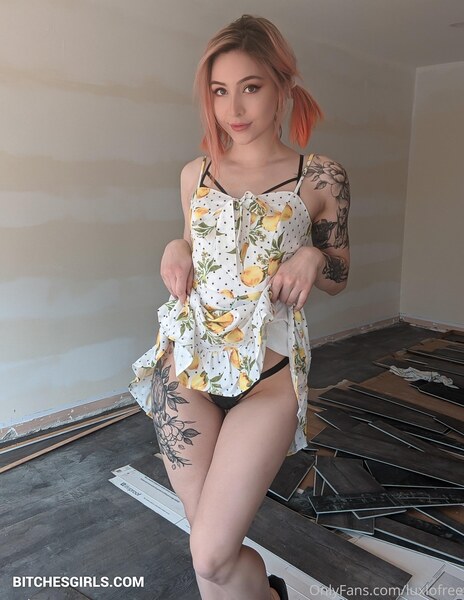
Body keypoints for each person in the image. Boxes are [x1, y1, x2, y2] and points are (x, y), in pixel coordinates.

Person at [129, 14, 350, 600]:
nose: (234, 107)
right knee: (211, 560)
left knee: (210, 552)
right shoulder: (195, 173)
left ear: (282, 86)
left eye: (250, 87)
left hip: (267, 381)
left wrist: (313, 256)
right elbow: (192, 244)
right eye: (220, 91)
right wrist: (175, 247)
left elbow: (340, 272)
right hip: (186, 369)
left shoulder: (320, 178)